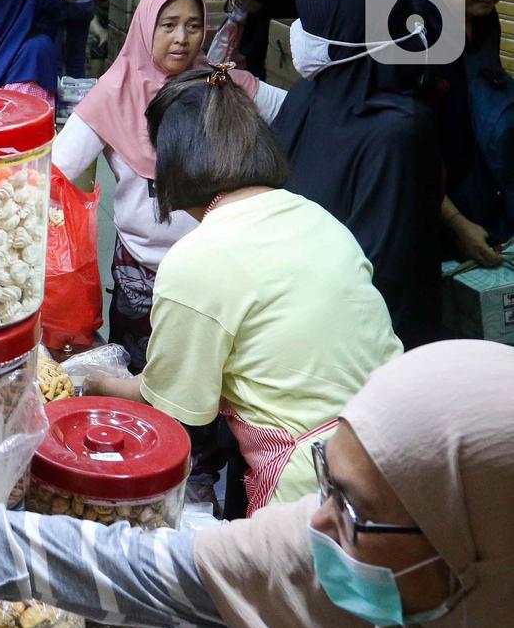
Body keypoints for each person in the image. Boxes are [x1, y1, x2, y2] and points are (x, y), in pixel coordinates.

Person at [0, 338, 514, 628]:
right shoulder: (323, 554)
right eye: (326, 485)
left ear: (477, 540)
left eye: (356, 513)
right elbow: (135, 567)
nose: (317, 525)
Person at [85, 67, 401, 512]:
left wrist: (91, 384)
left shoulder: (199, 260)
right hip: (396, 454)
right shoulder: (315, 216)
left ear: (172, 164)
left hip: (316, 489)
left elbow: (174, 404)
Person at [54, 0, 285, 370]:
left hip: (216, 269)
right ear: (146, 27)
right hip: (142, 269)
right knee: (141, 370)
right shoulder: (114, 92)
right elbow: (58, 169)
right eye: (169, 25)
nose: (182, 38)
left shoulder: (220, 83)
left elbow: (297, 111)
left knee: (206, 371)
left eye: (193, 26)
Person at [274, 0, 443, 350]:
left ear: (351, 31)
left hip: (361, 345)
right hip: (292, 316)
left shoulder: (398, 133)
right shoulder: (307, 96)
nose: (301, 31)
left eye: (314, 22)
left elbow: (379, 268)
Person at [414, 0, 513, 266]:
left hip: (477, 190)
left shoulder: (485, 20)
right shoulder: (416, 33)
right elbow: (410, 152)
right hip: (430, 205)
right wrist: (457, 224)